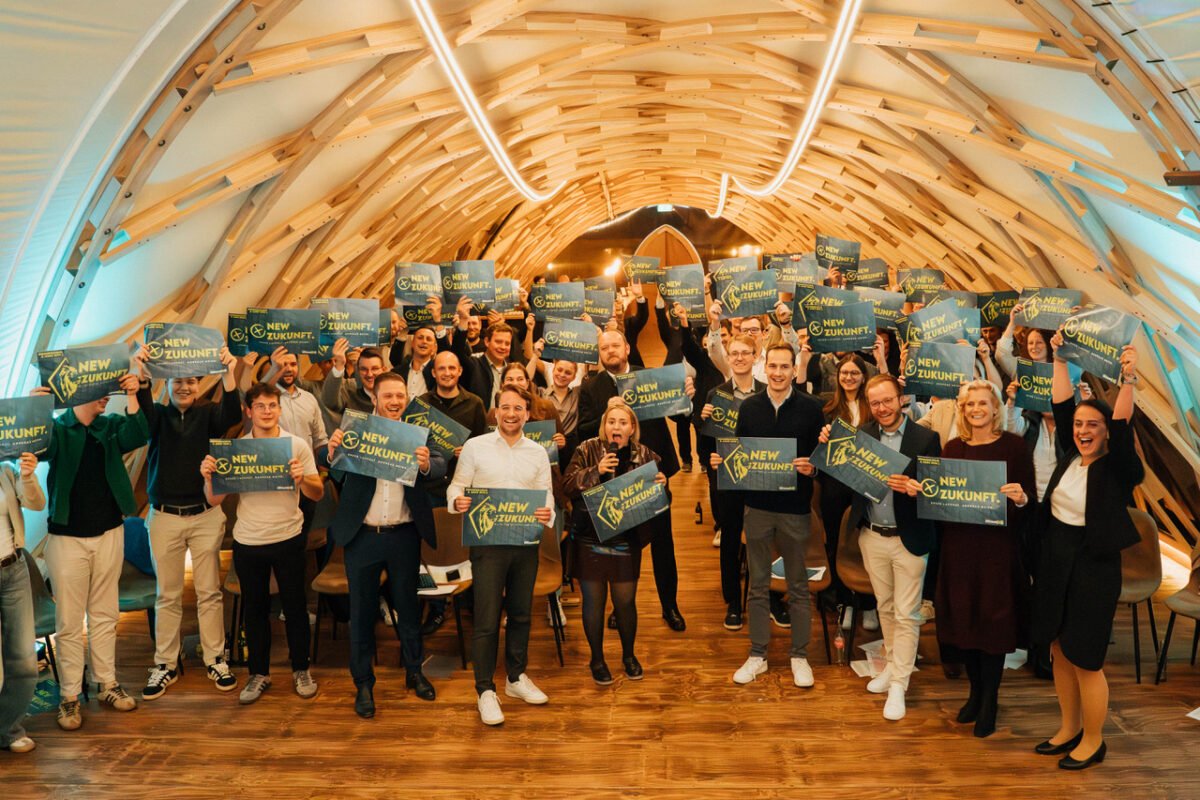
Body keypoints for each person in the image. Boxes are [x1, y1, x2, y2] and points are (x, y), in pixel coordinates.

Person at [1029, 341, 1143, 770]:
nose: (1082, 430)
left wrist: (1128, 380)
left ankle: (1094, 741)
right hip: (1057, 558)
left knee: (1086, 658)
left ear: (1106, 430)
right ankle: (1069, 728)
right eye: (1079, 424)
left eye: (1093, 424)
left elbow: (1124, 426)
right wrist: (1059, 360)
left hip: (1094, 567)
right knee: (1059, 648)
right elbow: (1061, 407)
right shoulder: (1070, 457)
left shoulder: (1118, 467)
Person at [900, 379, 1035, 737]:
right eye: (969, 404)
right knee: (965, 624)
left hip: (996, 552)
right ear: (962, 410)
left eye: (982, 403)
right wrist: (921, 492)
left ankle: (990, 700)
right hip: (959, 551)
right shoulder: (953, 448)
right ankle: (975, 694)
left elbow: (1029, 505)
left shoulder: (1015, 447)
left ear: (995, 408)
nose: (976, 409)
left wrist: (1021, 499)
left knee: (993, 626)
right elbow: (941, 503)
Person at [326, 372, 445, 718]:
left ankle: (414, 672)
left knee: (408, 608)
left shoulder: (417, 433)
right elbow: (330, 465)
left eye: (400, 395)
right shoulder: (356, 431)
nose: (395, 401)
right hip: (362, 537)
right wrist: (331, 451)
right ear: (374, 399)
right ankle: (363, 683)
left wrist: (426, 464)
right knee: (362, 614)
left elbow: (441, 463)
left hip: (404, 536)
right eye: (388, 396)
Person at [37, 370, 148, 730]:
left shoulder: (110, 426)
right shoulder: (58, 429)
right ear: (79, 393)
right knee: (69, 622)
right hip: (67, 539)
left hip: (109, 533)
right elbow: (38, 450)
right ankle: (70, 696)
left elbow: (140, 433)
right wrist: (38, 411)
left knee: (105, 614)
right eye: (102, 391)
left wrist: (133, 394)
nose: (107, 396)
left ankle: (107, 683)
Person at [201, 382, 324, 705]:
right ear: (249, 411)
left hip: (289, 537)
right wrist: (209, 477)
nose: (267, 411)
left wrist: (303, 478)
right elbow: (214, 500)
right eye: (260, 406)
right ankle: (258, 674)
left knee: (295, 607)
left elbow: (317, 493)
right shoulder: (235, 450)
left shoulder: (296, 445)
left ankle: (301, 670)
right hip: (249, 540)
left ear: (280, 410)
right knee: (254, 611)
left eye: (272, 405)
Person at [826, 374, 941, 720]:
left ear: (901, 398)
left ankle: (899, 686)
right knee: (886, 608)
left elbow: (937, 491)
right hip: (871, 536)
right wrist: (830, 449)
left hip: (910, 539)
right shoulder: (861, 436)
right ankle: (892, 665)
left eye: (887, 400)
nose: (882, 408)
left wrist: (918, 488)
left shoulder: (926, 438)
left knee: (907, 614)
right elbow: (841, 484)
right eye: (875, 403)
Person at [133, 344, 242, 700]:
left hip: (205, 516)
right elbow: (142, 415)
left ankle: (215, 659)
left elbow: (231, 413)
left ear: (199, 385)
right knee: (167, 595)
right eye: (178, 381)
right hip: (164, 517)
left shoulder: (209, 414)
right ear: (167, 383)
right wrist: (143, 376)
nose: (184, 387)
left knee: (210, 592)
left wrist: (229, 371)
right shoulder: (158, 416)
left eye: (191, 381)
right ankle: (165, 664)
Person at [713, 344, 822, 689]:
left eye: (784, 367)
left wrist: (812, 468)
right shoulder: (749, 407)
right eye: (772, 366)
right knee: (758, 585)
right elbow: (741, 455)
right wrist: (723, 462)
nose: (777, 373)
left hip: (795, 509)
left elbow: (822, 459)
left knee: (798, 587)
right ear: (766, 368)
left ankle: (799, 656)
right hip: (757, 508)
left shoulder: (811, 408)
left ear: (794, 369)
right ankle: (757, 655)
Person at [447, 387, 554, 726]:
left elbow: (547, 495)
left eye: (518, 408)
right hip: (487, 543)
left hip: (525, 542)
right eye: (505, 407)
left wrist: (547, 512)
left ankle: (515, 678)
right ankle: (484, 690)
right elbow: (456, 485)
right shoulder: (475, 446)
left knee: (521, 614)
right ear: (495, 412)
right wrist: (458, 500)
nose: (511, 413)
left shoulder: (538, 452)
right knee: (487, 619)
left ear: (527, 414)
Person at [578, 329, 689, 631]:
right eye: (604, 347)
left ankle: (670, 606)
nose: (610, 351)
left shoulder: (648, 377)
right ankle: (621, 607)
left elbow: (678, 416)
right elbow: (584, 429)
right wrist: (609, 410)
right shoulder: (591, 386)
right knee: (623, 547)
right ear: (599, 353)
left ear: (627, 348)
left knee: (663, 543)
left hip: (654, 472)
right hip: (616, 477)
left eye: (616, 345)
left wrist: (686, 399)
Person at [564, 404, 666, 684]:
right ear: (604, 426)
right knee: (594, 603)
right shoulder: (586, 449)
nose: (616, 427)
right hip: (590, 537)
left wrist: (662, 487)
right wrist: (595, 471)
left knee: (625, 602)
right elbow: (567, 485)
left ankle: (629, 656)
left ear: (632, 428)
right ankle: (597, 660)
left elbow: (657, 505)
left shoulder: (646, 455)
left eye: (623, 422)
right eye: (611, 421)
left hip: (626, 540)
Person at [696, 332, 764, 629]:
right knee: (730, 540)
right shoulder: (716, 395)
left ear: (755, 356)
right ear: (728, 357)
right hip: (728, 480)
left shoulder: (767, 392)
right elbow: (705, 447)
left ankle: (768, 598)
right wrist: (703, 424)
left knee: (763, 539)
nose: (739, 358)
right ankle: (733, 601)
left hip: (762, 478)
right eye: (734, 353)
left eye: (745, 352)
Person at [819, 354, 879, 632]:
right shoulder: (827, 408)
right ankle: (844, 602)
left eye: (854, 373)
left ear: (864, 377)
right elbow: (818, 451)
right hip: (835, 487)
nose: (849, 377)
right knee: (837, 542)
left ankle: (868, 603)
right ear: (837, 377)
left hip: (865, 487)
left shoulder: (874, 408)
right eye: (844, 373)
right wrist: (822, 438)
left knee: (865, 544)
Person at [0, 450, 46, 753]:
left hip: (13, 568)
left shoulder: (6, 469)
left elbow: (37, 504)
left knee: (23, 659)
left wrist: (28, 477)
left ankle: (9, 729)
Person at [451, 297, 520, 410]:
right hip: (480, 420)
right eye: (498, 342)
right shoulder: (474, 365)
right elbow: (457, 354)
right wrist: (463, 321)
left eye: (507, 343)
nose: (503, 347)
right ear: (487, 342)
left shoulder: (513, 370)